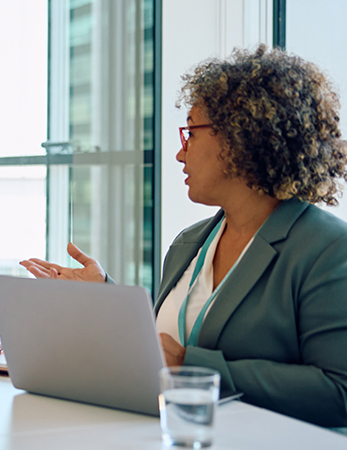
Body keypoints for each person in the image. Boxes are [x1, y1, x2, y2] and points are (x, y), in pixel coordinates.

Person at [21, 45, 347, 428]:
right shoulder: (189, 244)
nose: (180, 153)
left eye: (191, 132)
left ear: (242, 136)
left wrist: (192, 366)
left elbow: (338, 390)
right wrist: (104, 297)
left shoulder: (327, 250)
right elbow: (164, 345)